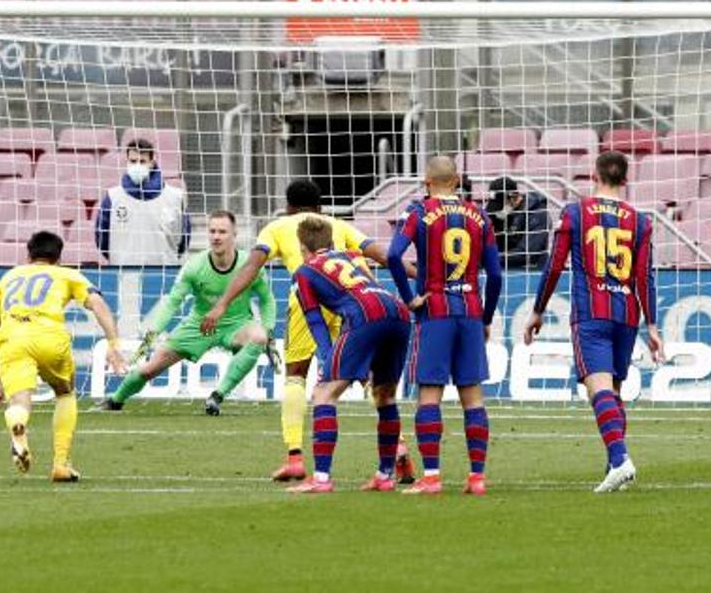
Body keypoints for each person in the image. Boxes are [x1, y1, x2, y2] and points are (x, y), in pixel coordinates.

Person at [199, 179, 415, 483]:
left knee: (296, 376)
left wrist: (222, 303)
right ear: (319, 208)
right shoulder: (334, 225)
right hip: (354, 301)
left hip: (307, 295)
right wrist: (417, 272)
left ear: (288, 207)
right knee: (367, 376)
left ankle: (295, 457)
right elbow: (380, 254)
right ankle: (399, 446)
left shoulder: (277, 227)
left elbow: (251, 266)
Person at [524, 151, 664, 494]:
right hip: (626, 315)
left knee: (597, 389)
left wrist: (538, 310)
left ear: (594, 176)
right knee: (613, 392)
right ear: (626, 180)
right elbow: (645, 276)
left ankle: (620, 460)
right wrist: (652, 326)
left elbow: (554, 264)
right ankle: (614, 469)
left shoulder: (575, 212)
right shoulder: (641, 221)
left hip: (591, 313)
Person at [387, 155, 503, 496]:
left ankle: (433, 477)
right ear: (457, 182)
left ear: (426, 182)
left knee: (429, 395)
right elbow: (495, 275)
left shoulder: (419, 212)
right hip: (469, 312)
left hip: (434, 311)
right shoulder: (480, 215)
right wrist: (486, 317)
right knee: (473, 397)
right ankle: (477, 478)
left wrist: (409, 297)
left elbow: (394, 256)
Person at [0, 230, 128, 482]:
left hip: (12, 339)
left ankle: (17, 422)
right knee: (65, 392)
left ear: (28, 255)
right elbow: (99, 305)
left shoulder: (9, 277)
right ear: (59, 258)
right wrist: (114, 343)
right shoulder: (67, 274)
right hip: (49, 338)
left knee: (19, 401)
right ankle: (61, 464)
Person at [98, 210, 276, 415]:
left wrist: (269, 328)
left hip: (236, 324)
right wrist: (153, 332)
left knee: (259, 336)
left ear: (234, 234)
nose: (216, 236)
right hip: (199, 325)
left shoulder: (250, 266)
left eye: (222, 232)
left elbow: (267, 299)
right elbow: (173, 302)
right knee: (150, 369)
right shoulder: (194, 266)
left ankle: (217, 396)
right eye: (212, 231)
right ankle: (116, 400)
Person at [287, 218, 413, 494]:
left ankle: (321, 478)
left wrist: (326, 355)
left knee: (324, 393)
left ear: (302, 248)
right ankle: (385, 475)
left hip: (365, 317)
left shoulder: (305, 271)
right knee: (384, 395)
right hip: (399, 314)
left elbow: (315, 319)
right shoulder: (350, 256)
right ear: (331, 243)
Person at [94, 137, 189, 264]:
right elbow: (102, 240)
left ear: (151, 162)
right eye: (133, 161)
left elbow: (183, 240)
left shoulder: (175, 197)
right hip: (124, 275)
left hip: (164, 275)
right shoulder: (112, 197)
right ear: (126, 162)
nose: (137, 165)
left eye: (142, 161)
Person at [486, 176, 551, 269]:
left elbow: (527, 253)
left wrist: (489, 258)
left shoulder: (537, 214)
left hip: (532, 272)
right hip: (503, 268)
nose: (497, 211)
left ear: (514, 197)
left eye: (501, 204)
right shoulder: (495, 214)